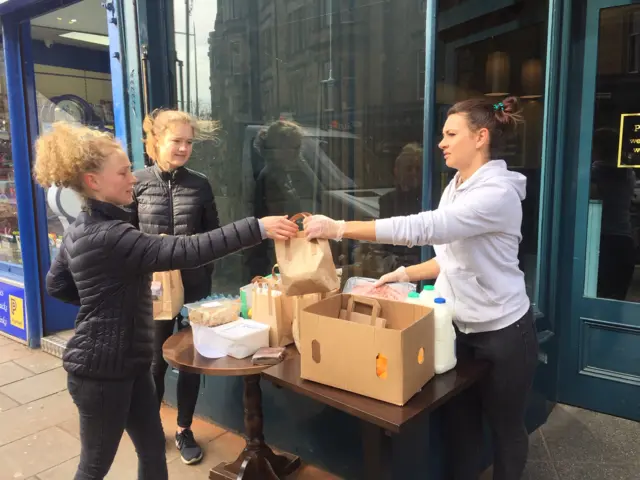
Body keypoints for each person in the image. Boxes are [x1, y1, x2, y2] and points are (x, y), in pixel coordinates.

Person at [34, 122, 297, 480]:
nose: (132, 178)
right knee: (94, 466)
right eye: (124, 172)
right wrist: (259, 228)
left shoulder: (82, 226)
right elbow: (187, 249)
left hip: (132, 364)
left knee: (153, 449)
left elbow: (57, 284)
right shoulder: (111, 235)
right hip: (100, 373)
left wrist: (106, 298)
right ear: (94, 181)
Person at [304, 97, 539, 480]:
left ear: (480, 137)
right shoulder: (458, 187)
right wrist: (405, 275)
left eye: (450, 134)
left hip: (504, 333)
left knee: (505, 429)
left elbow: (421, 228)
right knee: (459, 426)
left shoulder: (496, 194)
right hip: (458, 328)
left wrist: (339, 228)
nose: (441, 142)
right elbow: (452, 255)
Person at [131, 109, 220, 465]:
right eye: (176, 141)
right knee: (154, 362)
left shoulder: (200, 184)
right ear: (156, 142)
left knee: (190, 361)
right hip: (151, 291)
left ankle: (184, 428)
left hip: (194, 287)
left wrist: (201, 270)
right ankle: (150, 429)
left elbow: (214, 236)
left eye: (189, 142)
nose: (183, 148)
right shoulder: (136, 183)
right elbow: (124, 240)